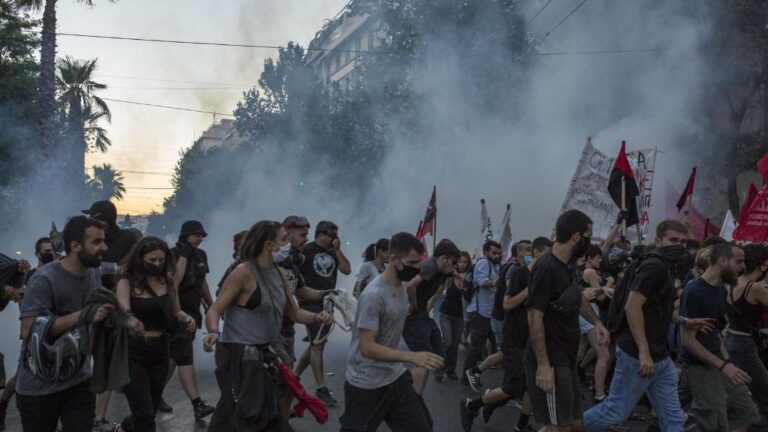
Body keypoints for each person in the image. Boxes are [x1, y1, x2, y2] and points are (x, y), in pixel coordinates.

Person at [583, 219, 715, 431]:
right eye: (673, 240)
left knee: (672, 419)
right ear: (658, 241)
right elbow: (632, 307)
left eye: (683, 242)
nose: (678, 246)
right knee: (614, 411)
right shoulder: (654, 266)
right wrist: (644, 352)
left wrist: (684, 321)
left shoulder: (667, 268)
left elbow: (655, 310)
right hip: (638, 354)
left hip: (659, 356)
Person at [202, 220, 332, 431]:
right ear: (268, 245)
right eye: (283, 239)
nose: (288, 243)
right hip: (238, 353)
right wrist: (214, 332)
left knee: (239, 411)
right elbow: (215, 309)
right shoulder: (243, 272)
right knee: (249, 412)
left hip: (265, 351)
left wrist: (318, 317)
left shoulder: (279, 272)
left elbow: (295, 312)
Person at [16, 216, 113, 432]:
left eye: (104, 241)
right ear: (75, 246)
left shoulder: (93, 273)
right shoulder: (44, 279)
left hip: (78, 380)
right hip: (39, 388)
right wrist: (83, 315)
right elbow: (27, 330)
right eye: (96, 242)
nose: (104, 247)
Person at [340, 232, 444, 432]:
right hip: (365, 384)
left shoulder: (404, 286)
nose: (417, 267)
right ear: (394, 260)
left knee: (421, 427)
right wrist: (412, 356)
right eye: (412, 263)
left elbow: (408, 310)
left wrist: (413, 298)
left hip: (394, 378)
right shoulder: (373, 295)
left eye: (419, 262)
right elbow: (367, 348)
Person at [525, 210, 609, 431]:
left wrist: (596, 323)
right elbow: (534, 317)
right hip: (550, 360)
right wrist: (543, 365)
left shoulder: (568, 264)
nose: (589, 243)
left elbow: (576, 297)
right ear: (576, 236)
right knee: (558, 427)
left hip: (566, 356)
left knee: (575, 424)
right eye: (588, 236)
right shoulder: (546, 268)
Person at [461, 236, 552, 432]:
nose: (530, 255)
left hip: (528, 335)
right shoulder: (518, 273)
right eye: (527, 251)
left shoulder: (537, 273)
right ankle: (472, 405)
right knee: (514, 386)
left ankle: (520, 425)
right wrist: (531, 288)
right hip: (513, 334)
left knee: (529, 385)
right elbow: (507, 303)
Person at [114, 237, 196, 432]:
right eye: (152, 260)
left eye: (160, 260)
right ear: (141, 258)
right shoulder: (127, 280)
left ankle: (127, 426)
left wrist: (187, 319)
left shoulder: (168, 281)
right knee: (145, 415)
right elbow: (122, 307)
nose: (157, 264)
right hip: (134, 351)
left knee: (149, 407)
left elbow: (176, 310)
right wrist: (131, 319)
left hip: (160, 350)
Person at [681, 242, 759, 432]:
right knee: (714, 421)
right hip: (701, 367)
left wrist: (728, 362)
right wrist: (723, 365)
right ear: (723, 261)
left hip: (720, 364)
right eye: (739, 262)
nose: (743, 267)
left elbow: (714, 333)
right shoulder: (694, 291)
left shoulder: (720, 290)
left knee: (747, 412)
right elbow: (687, 340)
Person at [159, 220, 215, 419]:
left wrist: (212, 305)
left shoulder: (201, 255)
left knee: (175, 357)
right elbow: (176, 281)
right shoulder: (173, 255)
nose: (199, 239)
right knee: (183, 357)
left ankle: (154, 394)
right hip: (177, 313)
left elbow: (202, 283)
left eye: (201, 235)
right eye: (196, 235)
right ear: (185, 236)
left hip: (194, 312)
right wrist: (184, 255)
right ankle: (197, 403)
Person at [294, 221, 352, 407]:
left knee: (317, 342)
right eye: (332, 236)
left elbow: (346, 269)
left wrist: (337, 250)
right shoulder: (306, 251)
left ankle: (294, 376)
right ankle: (321, 387)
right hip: (310, 300)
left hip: (328, 301)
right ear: (321, 235)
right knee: (317, 344)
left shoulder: (332, 252)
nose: (335, 239)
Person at [403, 239, 459, 392]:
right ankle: (413, 398)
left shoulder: (444, 271)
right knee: (424, 359)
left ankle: (409, 391)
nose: (454, 266)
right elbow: (410, 286)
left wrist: (427, 307)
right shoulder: (431, 266)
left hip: (421, 314)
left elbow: (438, 291)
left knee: (438, 357)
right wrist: (413, 305)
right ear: (443, 258)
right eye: (452, 262)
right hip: (410, 314)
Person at [725, 243, 768, 430]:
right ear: (763, 264)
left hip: (730, 338)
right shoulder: (755, 288)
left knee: (748, 386)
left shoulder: (733, 282)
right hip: (745, 343)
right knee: (763, 387)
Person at [463, 240, 502, 392]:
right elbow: (482, 282)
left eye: (499, 253)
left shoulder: (496, 265)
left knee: (497, 349)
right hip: (480, 313)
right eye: (494, 253)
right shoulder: (484, 263)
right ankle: (466, 376)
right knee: (476, 348)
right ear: (486, 252)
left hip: (490, 314)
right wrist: (500, 281)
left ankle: (474, 374)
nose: (497, 256)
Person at [576, 244, 611, 402]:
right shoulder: (590, 272)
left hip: (585, 313)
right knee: (604, 354)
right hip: (589, 313)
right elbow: (601, 297)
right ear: (589, 258)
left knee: (580, 349)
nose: (600, 260)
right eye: (598, 257)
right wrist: (608, 285)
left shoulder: (584, 271)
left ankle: (572, 380)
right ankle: (599, 394)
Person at [440, 251, 472, 381]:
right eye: (460, 262)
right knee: (447, 342)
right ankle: (439, 367)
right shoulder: (450, 276)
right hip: (446, 313)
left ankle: (450, 370)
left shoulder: (469, 278)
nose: (462, 264)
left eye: (465, 262)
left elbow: (471, 294)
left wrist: (466, 283)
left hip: (460, 316)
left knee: (455, 345)